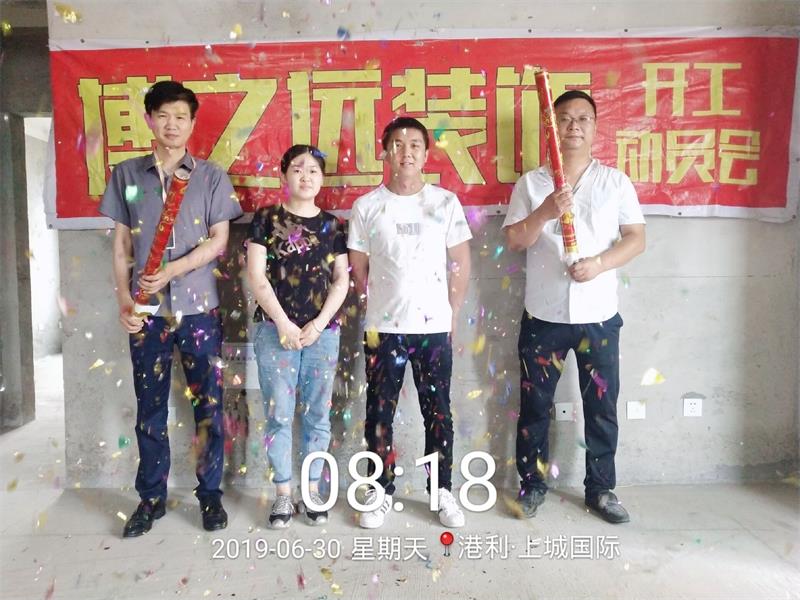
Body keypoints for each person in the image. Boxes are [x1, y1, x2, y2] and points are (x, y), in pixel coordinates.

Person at [100, 80, 243, 537]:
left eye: (181, 117)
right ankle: (151, 499)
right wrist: (125, 301)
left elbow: (219, 240)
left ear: (192, 123)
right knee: (150, 409)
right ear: (149, 120)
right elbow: (121, 245)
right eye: (163, 116)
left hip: (200, 309)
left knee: (209, 406)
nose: (172, 125)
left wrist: (172, 270)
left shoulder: (211, 176)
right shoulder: (127, 175)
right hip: (147, 313)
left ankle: (210, 496)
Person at [503, 90, 646, 523]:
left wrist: (600, 264)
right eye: (564, 118)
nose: (574, 126)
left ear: (595, 127)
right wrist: (546, 211)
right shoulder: (532, 184)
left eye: (583, 118)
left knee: (601, 408)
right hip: (543, 316)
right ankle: (532, 485)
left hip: (598, 316)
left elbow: (636, 238)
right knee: (534, 406)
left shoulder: (614, 182)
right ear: (552, 126)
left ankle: (601, 490)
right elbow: (515, 240)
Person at [348, 116, 472, 529]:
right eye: (398, 144)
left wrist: (452, 313)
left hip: (433, 328)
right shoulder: (367, 206)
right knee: (379, 411)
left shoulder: (444, 202)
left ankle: (441, 491)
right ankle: (380, 490)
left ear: (425, 153)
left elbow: (461, 261)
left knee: (438, 412)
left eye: (415, 144)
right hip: (383, 329)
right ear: (385, 152)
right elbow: (359, 268)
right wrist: (380, 305)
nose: (406, 152)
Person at [246, 145, 349, 528]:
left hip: (323, 333)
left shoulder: (333, 226)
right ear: (284, 175)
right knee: (279, 414)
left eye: (313, 171)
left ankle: (312, 490)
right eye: (298, 169)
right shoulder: (266, 219)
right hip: (275, 331)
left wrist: (318, 324)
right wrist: (284, 324)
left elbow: (341, 280)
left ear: (322, 178)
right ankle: (283, 494)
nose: (306, 176)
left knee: (318, 414)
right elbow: (256, 275)